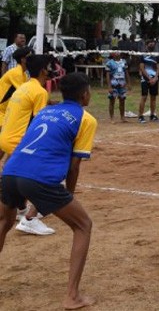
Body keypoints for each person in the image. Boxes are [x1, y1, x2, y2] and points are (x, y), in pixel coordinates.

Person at [0, 72, 97, 309]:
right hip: (39, 177)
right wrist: (69, 195)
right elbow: (74, 166)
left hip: (10, 170)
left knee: (3, 222)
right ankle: (72, 296)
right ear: (84, 95)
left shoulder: (45, 111)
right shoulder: (85, 119)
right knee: (83, 225)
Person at [0, 55, 55, 235]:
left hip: (6, 137)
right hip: (18, 140)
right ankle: (30, 219)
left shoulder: (24, 86)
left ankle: (21, 208)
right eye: (48, 67)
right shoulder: (39, 91)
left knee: (14, 175)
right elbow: (41, 122)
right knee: (49, 175)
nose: (50, 70)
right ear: (42, 71)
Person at [0, 47, 31, 126]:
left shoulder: (24, 74)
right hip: (2, 113)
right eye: (30, 57)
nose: (32, 59)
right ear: (23, 59)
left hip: (7, 112)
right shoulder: (16, 72)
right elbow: (25, 94)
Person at [137, 39, 159, 124]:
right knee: (144, 97)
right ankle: (140, 116)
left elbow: (158, 68)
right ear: (146, 45)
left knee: (153, 98)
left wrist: (155, 78)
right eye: (150, 44)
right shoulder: (142, 55)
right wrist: (149, 78)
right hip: (145, 79)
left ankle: (152, 115)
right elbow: (142, 68)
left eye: (153, 44)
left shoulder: (156, 55)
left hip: (154, 79)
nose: (152, 45)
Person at [104, 51, 130, 123]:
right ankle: (112, 118)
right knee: (112, 100)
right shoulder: (109, 63)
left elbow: (126, 72)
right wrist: (109, 86)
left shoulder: (124, 62)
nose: (117, 53)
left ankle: (122, 117)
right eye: (115, 52)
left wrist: (128, 83)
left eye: (118, 52)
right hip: (113, 84)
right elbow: (108, 75)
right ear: (113, 54)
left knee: (122, 100)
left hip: (122, 84)